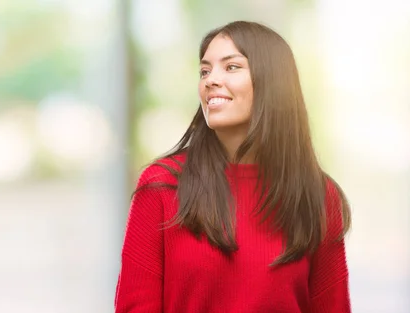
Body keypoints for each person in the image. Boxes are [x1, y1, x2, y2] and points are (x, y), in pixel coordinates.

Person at [114, 21, 352, 313]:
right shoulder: (162, 185)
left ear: (272, 81)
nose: (210, 80)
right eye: (205, 71)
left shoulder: (317, 195)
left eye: (231, 67)